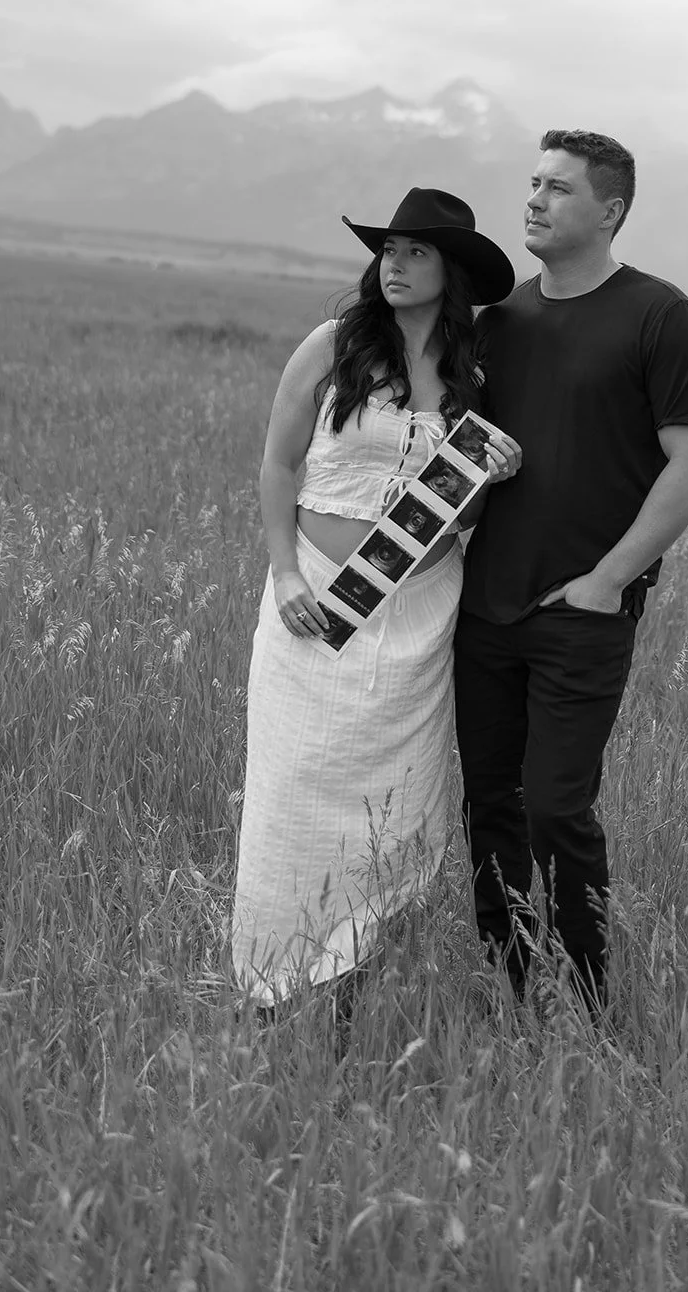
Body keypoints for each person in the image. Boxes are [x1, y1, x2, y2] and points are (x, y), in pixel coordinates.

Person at [454, 129, 688, 1014]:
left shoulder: (659, 316)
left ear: (609, 211)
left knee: (555, 808)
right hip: (483, 606)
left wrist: (608, 582)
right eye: (532, 183)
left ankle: (589, 999)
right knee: (490, 804)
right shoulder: (499, 322)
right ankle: (512, 986)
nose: (533, 200)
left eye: (558, 188)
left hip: (582, 611)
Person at [231, 187, 519, 1007]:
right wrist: (285, 573)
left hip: (419, 616)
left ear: (451, 272)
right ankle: (270, 983)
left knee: (389, 809)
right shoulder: (333, 345)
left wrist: (493, 475)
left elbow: (464, 517)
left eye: (415, 252)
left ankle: (350, 981)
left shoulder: (473, 374)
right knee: (291, 793)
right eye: (387, 249)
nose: (394, 264)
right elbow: (278, 464)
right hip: (314, 604)